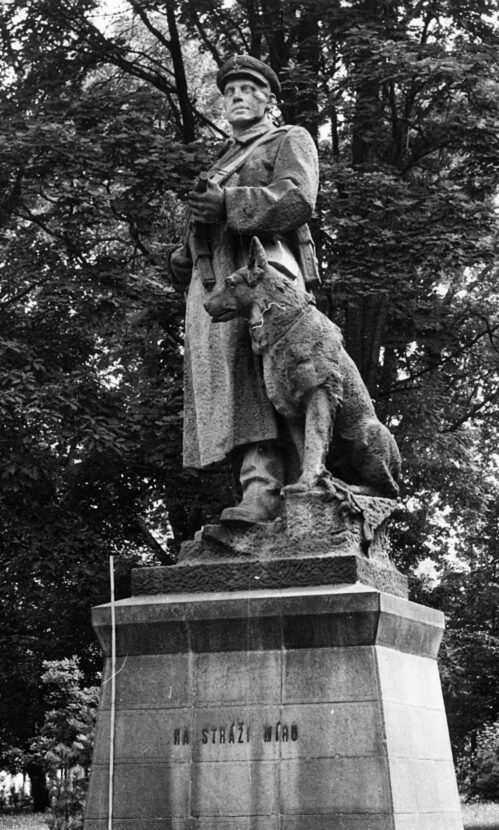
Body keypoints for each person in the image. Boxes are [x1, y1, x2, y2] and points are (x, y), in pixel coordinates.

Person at [169, 55, 320, 525]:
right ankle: (256, 487)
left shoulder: (286, 139)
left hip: (262, 279)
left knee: (264, 377)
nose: (235, 96)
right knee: (231, 384)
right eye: (229, 90)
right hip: (218, 285)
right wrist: (184, 252)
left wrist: (229, 202)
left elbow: (297, 197)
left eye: (247, 88)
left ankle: (269, 490)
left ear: (269, 99)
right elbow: (201, 233)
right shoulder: (220, 162)